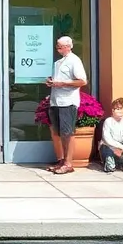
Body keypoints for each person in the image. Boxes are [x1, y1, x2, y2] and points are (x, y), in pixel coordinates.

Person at [45, 35, 87, 174]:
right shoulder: (57, 63)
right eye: (57, 45)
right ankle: (62, 161)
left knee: (68, 133)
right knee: (59, 132)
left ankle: (69, 163)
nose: (57, 48)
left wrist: (62, 83)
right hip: (56, 100)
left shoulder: (75, 61)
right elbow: (58, 80)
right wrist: (52, 81)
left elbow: (82, 81)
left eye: (60, 46)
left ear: (68, 46)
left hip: (68, 101)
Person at [100, 97, 123, 173]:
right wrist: (119, 147)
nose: (119, 111)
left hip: (122, 146)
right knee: (110, 167)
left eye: (121, 108)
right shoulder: (108, 121)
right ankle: (109, 164)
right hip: (108, 147)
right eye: (117, 109)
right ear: (113, 110)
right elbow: (107, 139)